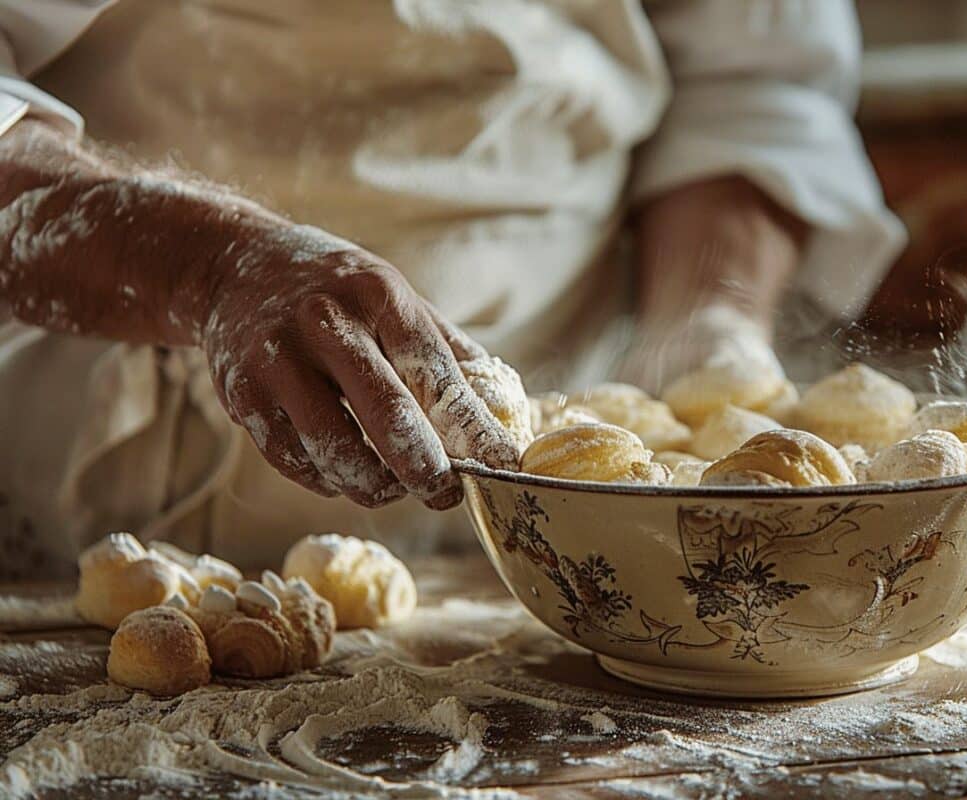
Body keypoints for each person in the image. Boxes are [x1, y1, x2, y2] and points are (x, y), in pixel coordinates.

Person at [0, 0, 903, 576]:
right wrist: (207, 266)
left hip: (566, 527)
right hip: (107, 516)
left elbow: (751, 79)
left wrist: (709, 319)